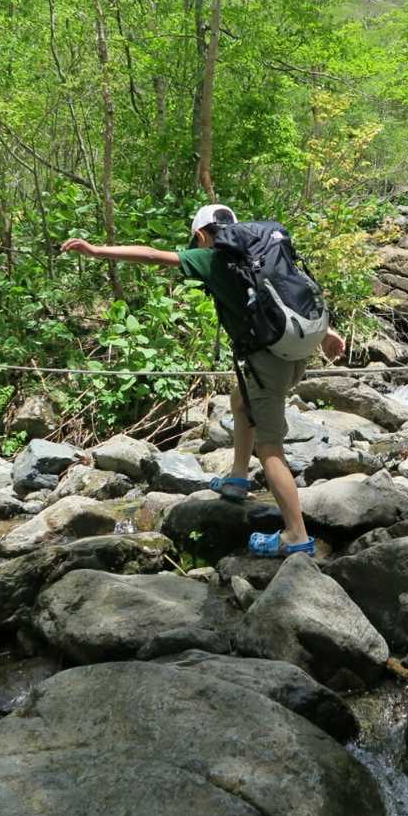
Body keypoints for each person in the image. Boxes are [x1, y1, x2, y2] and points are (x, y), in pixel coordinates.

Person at [60, 204, 345, 557]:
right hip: (296, 347)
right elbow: (288, 292)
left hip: (267, 359)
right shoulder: (262, 250)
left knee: (270, 448)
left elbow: (151, 255)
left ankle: (296, 535)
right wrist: (326, 332)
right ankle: (237, 479)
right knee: (240, 401)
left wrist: (96, 250)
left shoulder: (213, 258)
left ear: (200, 235)